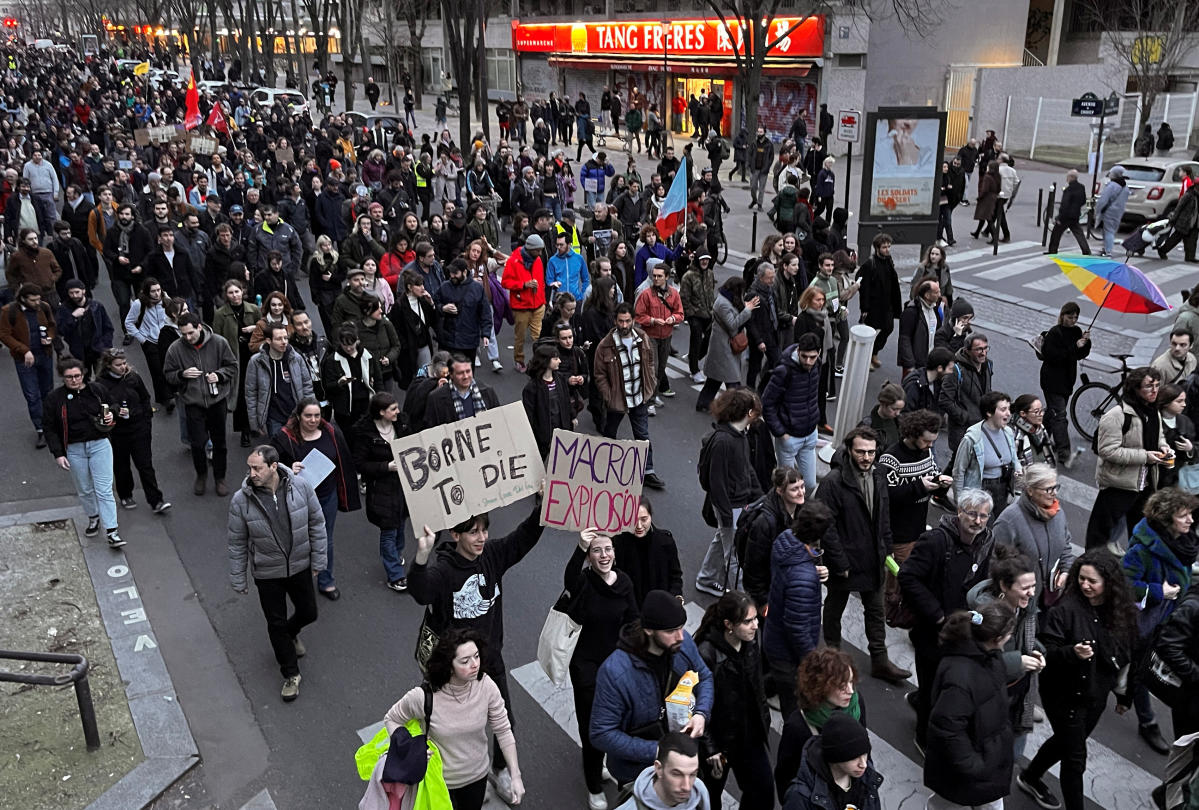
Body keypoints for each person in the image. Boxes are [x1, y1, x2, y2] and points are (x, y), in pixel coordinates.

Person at [409, 501, 545, 796]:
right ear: (456, 535)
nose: (482, 537)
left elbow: (523, 538)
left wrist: (543, 506)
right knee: (455, 728)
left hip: (489, 661)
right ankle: (465, 778)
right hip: (452, 669)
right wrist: (421, 557)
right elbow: (421, 592)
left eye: (484, 530)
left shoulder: (493, 555)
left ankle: (500, 769)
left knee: (503, 718)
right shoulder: (445, 571)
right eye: (473, 532)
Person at [1017, 550, 1137, 810]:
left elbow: (1124, 655)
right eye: (1081, 578)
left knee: (1065, 742)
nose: (1085, 585)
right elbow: (1047, 648)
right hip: (1064, 694)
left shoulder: (1118, 613)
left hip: (1095, 695)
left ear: (1108, 583)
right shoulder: (1065, 610)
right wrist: (1072, 652)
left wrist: (1124, 695)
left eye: (1092, 581)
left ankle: (1030, 775)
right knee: (1075, 759)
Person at [899, 488, 997, 752]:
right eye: (972, 514)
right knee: (933, 685)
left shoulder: (986, 542)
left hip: (963, 631)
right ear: (959, 512)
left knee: (945, 687)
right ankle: (923, 736)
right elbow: (908, 577)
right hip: (932, 630)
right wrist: (937, 614)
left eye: (984, 516)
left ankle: (922, 702)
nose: (978, 521)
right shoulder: (935, 541)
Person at [227, 445, 327, 702]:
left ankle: (290, 633)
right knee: (275, 623)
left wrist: (319, 558)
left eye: (257, 468)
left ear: (273, 467)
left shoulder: (301, 487)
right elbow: (237, 541)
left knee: (309, 612)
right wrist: (239, 577)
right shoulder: (241, 500)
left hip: (299, 566)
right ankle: (291, 674)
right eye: (250, 467)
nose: (252, 473)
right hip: (267, 573)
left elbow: (316, 522)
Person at [381, 630, 524, 810]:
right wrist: (409, 746)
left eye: (476, 656)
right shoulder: (424, 697)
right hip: (438, 782)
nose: (475, 664)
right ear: (449, 665)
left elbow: (503, 730)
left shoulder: (486, 686)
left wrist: (515, 776)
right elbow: (391, 719)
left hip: (476, 777)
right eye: (465, 661)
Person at [817, 426, 911, 684]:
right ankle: (832, 658)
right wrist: (839, 562)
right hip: (845, 562)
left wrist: (887, 547)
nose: (867, 457)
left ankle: (880, 661)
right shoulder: (833, 483)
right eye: (861, 452)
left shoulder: (878, 476)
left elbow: (883, 515)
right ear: (849, 450)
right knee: (835, 609)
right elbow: (826, 526)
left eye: (871, 452)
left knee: (876, 611)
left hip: (873, 558)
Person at [590, 590, 713, 787]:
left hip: (681, 759)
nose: (681, 636)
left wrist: (701, 714)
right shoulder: (615, 672)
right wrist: (657, 750)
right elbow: (601, 733)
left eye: (681, 627)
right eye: (671, 631)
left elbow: (704, 676)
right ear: (649, 630)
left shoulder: (682, 643)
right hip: (638, 773)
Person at [562, 529, 639, 810]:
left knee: (614, 721)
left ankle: (602, 762)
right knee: (592, 726)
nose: (603, 555)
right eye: (596, 551)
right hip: (585, 664)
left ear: (614, 552)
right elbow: (569, 578)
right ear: (589, 557)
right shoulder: (584, 581)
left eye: (607, 549)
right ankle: (594, 785)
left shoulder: (625, 583)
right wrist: (579, 547)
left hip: (614, 663)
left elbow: (633, 621)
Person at [1122, 486, 1198, 755]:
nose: (1190, 520)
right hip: (1149, 621)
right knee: (1143, 669)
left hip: (1170, 616)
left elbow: (1187, 572)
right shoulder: (1143, 548)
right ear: (1166, 519)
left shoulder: (1185, 542)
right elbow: (1125, 585)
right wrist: (1158, 592)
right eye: (1183, 515)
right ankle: (1147, 721)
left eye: (1190, 514)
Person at [924, 602, 1017, 810]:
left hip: (986, 759)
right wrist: (975, 765)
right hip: (969, 768)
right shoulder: (960, 676)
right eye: (1010, 633)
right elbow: (946, 728)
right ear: (997, 638)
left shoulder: (988, 657)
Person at [271, 397, 359, 601]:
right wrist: (287, 468)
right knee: (298, 541)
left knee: (325, 540)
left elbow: (343, 461)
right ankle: (299, 582)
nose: (313, 420)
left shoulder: (331, 433)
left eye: (317, 415)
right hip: (297, 501)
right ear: (298, 416)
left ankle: (326, 581)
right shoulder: (284, 438)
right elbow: (269, 465)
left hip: (327, 498)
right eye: (308, 415)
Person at [694, 592, 772, 810]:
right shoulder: (706, 654)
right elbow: (696, 704)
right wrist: (710, 748)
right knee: (709, 800)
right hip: (719, 742)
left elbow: (757, 687)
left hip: (749, 735)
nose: (756, 625)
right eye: (748, 621)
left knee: (762, 793)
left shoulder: (751, 641)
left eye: (756, 618)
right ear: (729, 624)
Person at [966, 545, 1046, 758]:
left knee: (1010, 752)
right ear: (1004, 586)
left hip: (1016, 693)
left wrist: (1037, 652)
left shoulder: (1024, 608)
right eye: (1025, 587)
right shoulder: (983, 618)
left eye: (1034, 586)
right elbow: (976, 664)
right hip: (990, 698)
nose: (1031, 593)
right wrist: (1018, 662)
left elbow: (1025, 640)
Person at [1086, 366, 1171, 551]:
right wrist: (1145, 457)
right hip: (1119, 485)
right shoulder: (1116, 416)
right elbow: (1108, 451)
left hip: (1145, 485)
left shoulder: (1153, 411)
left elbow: (1158, 436)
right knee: (1099, 536)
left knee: (1140, 534)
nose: (1155, 390)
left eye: (1157, 385)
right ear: (1136, 389)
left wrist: (1163, 447)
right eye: (1149, 386)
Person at [43, 358, 123, 548]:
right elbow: (49, 427)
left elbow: (114, 405)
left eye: (77, 376)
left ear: (84, 374)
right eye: (69, 377)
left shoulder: (97, 390)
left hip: (99, 444)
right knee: (85, 488)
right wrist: (58, 453)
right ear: (63, 378)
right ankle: (93, 516)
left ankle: (112, 530)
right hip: (74, 449)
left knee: (104, 489)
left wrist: (112, 412)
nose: (74, 380)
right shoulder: (55, 399)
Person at [773, 647, 869, 803]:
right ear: (821, 686)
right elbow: (786, 774)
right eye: (842, 686)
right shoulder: (798, 726)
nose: (851, 691)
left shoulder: (857, 704)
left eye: (851, 682)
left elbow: (864, 746)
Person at [765, 501, 833, 720]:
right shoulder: (802, 578)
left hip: (774, 636)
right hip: (787, 652)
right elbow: (797, 628)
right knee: (795, 712)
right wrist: (812, 661)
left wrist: (813, 568)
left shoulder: (785, 540)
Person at [696, 389, 764, 595]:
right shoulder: (724, 441)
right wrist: (726, 515)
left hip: (735, 504)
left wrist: (758, 494)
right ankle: (741, 597)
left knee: (722, 540)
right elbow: (716, 483)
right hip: (730, 506)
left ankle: (706, 578)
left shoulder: (740, 435)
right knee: (734, 554)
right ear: (749, 413)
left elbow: (746, 468)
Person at [163, 313, 239, 497]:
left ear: (199, 327)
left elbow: (232, 366)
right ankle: (201, 475)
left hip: (216, 401)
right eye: (184, 335)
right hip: (193, 402)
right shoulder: (175, 349)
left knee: (220, 443)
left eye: (190, 333)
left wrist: (219, 375)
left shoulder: (219, 343)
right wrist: (182, 374)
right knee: (197, 443)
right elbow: (168, 374)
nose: (187, 338)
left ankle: (220, 478)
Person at [594, 303, 665, 489]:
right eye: (620, 321)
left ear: (633, 320)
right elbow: (599, 374)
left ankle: (648, 471)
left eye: (627, 321)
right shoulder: (605, 345)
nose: (624, 325)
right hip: (617, 400)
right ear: (615, 321)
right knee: (609, 434)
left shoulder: (642, 338)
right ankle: (602, 469)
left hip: (638, 398)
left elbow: (650, 361)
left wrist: (650, 384)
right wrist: (608, 396)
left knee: (643, 436)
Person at [94, 348, 170, 514]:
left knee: (145, 465)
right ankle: (125, 494)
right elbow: (100, 409)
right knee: (121, 465)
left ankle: (156, 500)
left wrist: (146, 420)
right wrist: (114, 414)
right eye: (118, 365)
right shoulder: (101, 385)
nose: (123, 367)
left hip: (139, 428)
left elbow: (145, 398)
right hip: (118, 432)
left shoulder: (133, 378)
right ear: (108, 366)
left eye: (124, 363)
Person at [351, 392, 413, 592]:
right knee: (389, 530)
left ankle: (396, 554)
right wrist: (386, 467)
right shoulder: (364, 434)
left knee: (401, 523)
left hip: (404, 486)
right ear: (381, 412)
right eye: (393, 409)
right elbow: (360, 464)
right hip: (381, 489)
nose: (398, 412)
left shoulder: (402, 424)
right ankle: (395, 575)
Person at [993, 463, 1076, 612]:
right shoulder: (1009, 521)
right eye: (1048, 489)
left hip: (1051, 598)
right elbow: (996, 565)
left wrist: (1065, 570)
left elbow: (1065, 545)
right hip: (1021, 605)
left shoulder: (1056, 511)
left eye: (1056, 487)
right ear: (1030, 490)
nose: (1054, 493)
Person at [782, 712, 883, 810]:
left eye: (865, 754)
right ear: (835, 757)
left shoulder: (867, 778)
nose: (863, 764)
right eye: (854, 758)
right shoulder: (800, 796)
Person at [763, 333, 823, 494]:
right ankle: (785, 516)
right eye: (804, 356)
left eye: (812, 357)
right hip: (789, 437)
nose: (808, 362)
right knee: (787, 487)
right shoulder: (784, 371)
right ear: (798, 351)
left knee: (809, 485)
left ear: (819, 353)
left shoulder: (818, 365)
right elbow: (767, 403)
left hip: (809, 434)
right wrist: (781, 433)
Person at [0, 284, 58, 447]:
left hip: (44, 355)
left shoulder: (44, 307)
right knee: (32, 395)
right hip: (24, 360)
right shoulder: (8, 311)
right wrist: (24, 350)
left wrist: (49, 337)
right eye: (33, 300)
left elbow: (52, 325)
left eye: (39, 299)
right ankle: (41, 429)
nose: (37, 303)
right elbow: (4, 334)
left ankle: (52, 424)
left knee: (48, 391)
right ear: (23, 299)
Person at [952, 390, 1021, 520]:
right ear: (989, 413)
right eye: (1003, 409)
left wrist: (1018, 470)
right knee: (980, 527)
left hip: (1002, 489)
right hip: (980, 490)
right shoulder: (972, 438)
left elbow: (1013, 457)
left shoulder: (1008, 432)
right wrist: (960, 501)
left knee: (998, 526)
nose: (1008, 414)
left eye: (1009, 409)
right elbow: (959, 471)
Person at [1040, 302, 1091, 467]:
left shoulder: (1076, 332)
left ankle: (1040, 440)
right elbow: (1053, 356)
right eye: (1070, 317)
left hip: (1067, 381)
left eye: (1076, 317)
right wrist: (1074, 346)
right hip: (1052, 380)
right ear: (1063, 316)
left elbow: (1079, 355)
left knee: (1052, 414)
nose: (1074, 320)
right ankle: (1064, 453)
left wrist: (1085, 342)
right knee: (1060, 416)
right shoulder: (1055, 333)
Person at [211, 279, 261, 448]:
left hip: (252, 356)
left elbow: (264, 329)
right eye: (231, 293)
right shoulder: (221, 313)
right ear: (226, 295)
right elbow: (216, 338)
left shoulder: (253, 309)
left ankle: (255, 424)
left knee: (256, 391)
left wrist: (254, 328)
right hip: (234, 359)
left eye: (237, 291)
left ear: (242, 292)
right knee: (240, 396)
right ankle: (244, 430)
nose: (235, 295)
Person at [697, 276, 758, 412]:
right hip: (723, 347)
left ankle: (703, 402)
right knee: (732, 381)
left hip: (723, 346)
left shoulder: (727, 299)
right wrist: (747, 310)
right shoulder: (723, 304)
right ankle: (737, 409)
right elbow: (732, 325)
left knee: (714, 380)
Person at [244, 323, 313, 439]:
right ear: (268, 341)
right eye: (279, 339)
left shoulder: (296, 358)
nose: (284, 342)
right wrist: (254, 423)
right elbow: (250, 394)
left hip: (295, 415)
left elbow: (307, 386)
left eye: (286, 338)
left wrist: (310, 413)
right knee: (279, 452)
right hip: (273, 417)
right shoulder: (256, 362)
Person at [611, 498, 683, 607]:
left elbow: (675, 575)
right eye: (633, 520)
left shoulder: (665, 542)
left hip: (660, 606)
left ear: (651, 517)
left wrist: (675, 596)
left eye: (644, 519)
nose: (639, 526)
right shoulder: (617, 544)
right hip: (631, 609)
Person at [615, 733, 709, 810]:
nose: (687, 787)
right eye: (677, 774)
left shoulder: (699, 789)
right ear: (658, 768)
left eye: (692, 774)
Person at [635, 260, 685, 406]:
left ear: (667, 277)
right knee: (653, 368)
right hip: (651, 336)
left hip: (667, 335)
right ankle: (649, 400)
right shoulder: (646, 294)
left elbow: (680, 313)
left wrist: (672, 318)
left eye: (659, 276)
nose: (656, 279)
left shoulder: (674, 294)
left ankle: (653, 394)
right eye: (654, 276)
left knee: (661, 368)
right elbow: (638, 315)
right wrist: (652, 320)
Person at [321, 323, 382, 437]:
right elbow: (328, 387)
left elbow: (378, 380)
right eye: (344, 345)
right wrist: (339, 383)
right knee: (351, 439)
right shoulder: (332, 360)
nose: (348, 348)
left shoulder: (368, 356)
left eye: (351, 344)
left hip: (366, 405)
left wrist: (379, 400)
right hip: (346, 411)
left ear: (357, 340)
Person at [940, 332, 993, 452]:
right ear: (967, 350)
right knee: (958, 464)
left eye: (985, 348)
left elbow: (987, 391)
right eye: (979, 349)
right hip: (962, 430)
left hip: (982, 426)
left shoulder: (988, 365)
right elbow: (944, 400)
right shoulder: (955, 370)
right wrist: (964, 416)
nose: (983, 353)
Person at [503, 233, 547, 373]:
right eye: (537, 250)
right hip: (521, 306)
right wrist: (523, 285)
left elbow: (541, 281)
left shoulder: (538, 260)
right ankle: (519, 360)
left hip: (538, 304)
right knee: (520, 336)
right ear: (529, 248)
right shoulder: (513, 261)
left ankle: (539, 361)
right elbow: (505, 282)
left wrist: (543, 299)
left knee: (538, 336)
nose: (540, 253)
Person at [856, 233, 901, 370]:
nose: (887, 249)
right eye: (884, 247)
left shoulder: (888, 260)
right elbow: (863, 286)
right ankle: (867, 357)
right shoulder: (870, 264)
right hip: (874, 305)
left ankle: (874, 352)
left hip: (887, 303)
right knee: (871, 332)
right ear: (877, 248)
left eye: (888, 246)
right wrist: (865, 308)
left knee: (888, 328)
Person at [521, 342, 573, 458]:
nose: (559, 361)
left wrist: (572, 416)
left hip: (561, 430)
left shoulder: (560, 379)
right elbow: (529, 415)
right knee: (539, 463)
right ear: (545, 361)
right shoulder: (532, 388)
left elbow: (566, 401)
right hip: (543, 436)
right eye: (555, 358)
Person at [424, 353, 502, 427]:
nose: (465, 376)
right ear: (451, 374)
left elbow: (499, 421)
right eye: (460, 373)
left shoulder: (487, 392)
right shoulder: (436, 399)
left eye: (468, 371)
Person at [56, 280, 114, 377]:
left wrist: (105, 346)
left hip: (98, 349)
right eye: (71, 293)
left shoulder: (96, 306)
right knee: (83, 381)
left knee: (103, 379)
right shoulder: (64, 309)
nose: (74, 295)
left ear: (83, 291)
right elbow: (61, 331)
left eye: (77, 292)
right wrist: (73, 317)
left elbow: (108, 327)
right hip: (79, 352)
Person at [898, 279, 942, 378]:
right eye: (936, 292)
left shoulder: (935, 308)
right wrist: (910, 364)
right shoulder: (911, 312)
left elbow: (938, 332)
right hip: (915, 364)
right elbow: (904, 339)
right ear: (927, 295)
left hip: (930, 361)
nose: (940, 295)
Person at [1045, 169, 1091, 255]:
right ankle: (1086, 251)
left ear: (1071, 177)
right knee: (1078, 233)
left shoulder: (1068, 189)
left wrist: (1059, 217)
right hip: (1075, 215)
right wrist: (1076, 207)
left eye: (1067, 177)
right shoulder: (1081, 187)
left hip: (1065, 216)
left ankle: (1052, 250)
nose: (1067, 178)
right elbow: (1083, 200)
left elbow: (1065, 204)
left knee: (1056, 233)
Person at [1158, 180, 1199, 263]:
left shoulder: (1197, 196)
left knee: (1192, 240)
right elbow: (1178, 208)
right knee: (1175, 239)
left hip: (1195, 223)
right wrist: (1173, 219)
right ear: (1196, 186)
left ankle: (1190, 257)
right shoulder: (1188, 195)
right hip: (1184, 222)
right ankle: (1162, 250)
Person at [1096, 165, 1131, 257]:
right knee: (1111, 231)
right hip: (1119, 211)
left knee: (1108, 231)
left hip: (1109, 211)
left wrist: (1097, 210)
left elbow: (1103, 200)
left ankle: (1108, 251)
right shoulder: (1125, 187)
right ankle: (1107, 249)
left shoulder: (1112, 186)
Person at [860, 382, 905, 451]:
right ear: (883, 404)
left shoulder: (900, 421)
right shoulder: (867, 426)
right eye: (894, 409)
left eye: (900, 409)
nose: (898, 413)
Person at [971, 161, 1000, 242]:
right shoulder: (997, 176)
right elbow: (999, 188)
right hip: (993, 198)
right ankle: (977, 232)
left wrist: (979, 198)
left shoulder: (987, 177)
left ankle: (995, 237)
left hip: (986, 199)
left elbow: (984, 190)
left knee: (987, 218)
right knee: (984, 216)